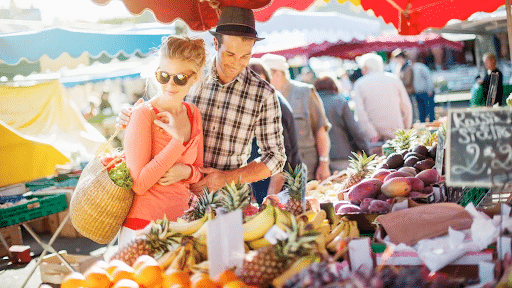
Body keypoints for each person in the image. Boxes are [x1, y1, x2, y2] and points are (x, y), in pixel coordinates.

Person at [118, 7, 286, 196]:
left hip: (228, 199)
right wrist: (130, 118)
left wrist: (227, 177)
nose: (236, 63)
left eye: (245, 56)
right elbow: (156, 109)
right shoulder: (189, 74)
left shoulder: (263, 94)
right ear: (215, 43)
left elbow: (275, 157)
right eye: (230, 54)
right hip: (178, 195)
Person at [119, 36, 206, 248]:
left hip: (182, 226)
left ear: (194, 78)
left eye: (180, 79)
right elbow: (138, 184)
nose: (169, 84)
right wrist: (176, 143)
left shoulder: (193, 113)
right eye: (164, 75)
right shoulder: (143, 114)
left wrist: (186, 172)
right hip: (144, 231)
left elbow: (199, 171)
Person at [261, 53, 331, 181]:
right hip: (278, 176)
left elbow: (321, 129)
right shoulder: (265, 98)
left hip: (309, 171)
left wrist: (324, 163)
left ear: (277, 74)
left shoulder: (305, 92)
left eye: (266, 74)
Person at [248, 60, 301, 202]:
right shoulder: (263, 102)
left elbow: (282, 157)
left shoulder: (274, 104)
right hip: (266, 187)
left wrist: (270, 198)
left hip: (281, 190)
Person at [352, 53, 413, 144]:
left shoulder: (359, 84)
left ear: (365, 68)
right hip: (397, 132)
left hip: (376, 137)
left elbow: (360, 113)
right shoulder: (394, 79)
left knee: (378, 158)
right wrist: (405, 128)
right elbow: (406, 107)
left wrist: (372, 134)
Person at [314, 75, 370, 172]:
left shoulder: (312, 104)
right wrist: (365, 151)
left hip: (320, 160)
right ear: (334, 86)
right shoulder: (339, 102)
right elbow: (354, 130)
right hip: (343, 157)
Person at [392, 49, 418, 124]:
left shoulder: (408, 67)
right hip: (404, 92)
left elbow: (408, 81)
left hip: (409, 92)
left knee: (410, 110)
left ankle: (411, 124)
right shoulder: (401, 67)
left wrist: (398, 82)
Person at [411, 56, 436, 122]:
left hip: (424, 91)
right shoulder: (419, 67)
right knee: (425, 109)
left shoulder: (418, 67)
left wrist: (430, 89)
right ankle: (428, 121)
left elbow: (428, 78)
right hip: (421, 91)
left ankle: (427, 122)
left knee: (424, 109)